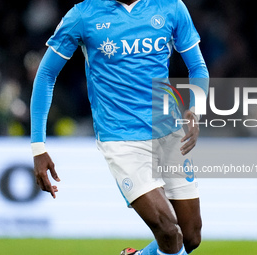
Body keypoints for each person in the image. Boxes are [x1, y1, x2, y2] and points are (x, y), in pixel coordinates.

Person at [30, 0, 209, 255]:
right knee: (169, 231)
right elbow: (46, 74)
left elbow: (197, 66)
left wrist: (196, 110)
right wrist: (38, 146)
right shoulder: (84, 14)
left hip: (170, 134)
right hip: (121, 139)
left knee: (191, 237)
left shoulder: (171, 7)